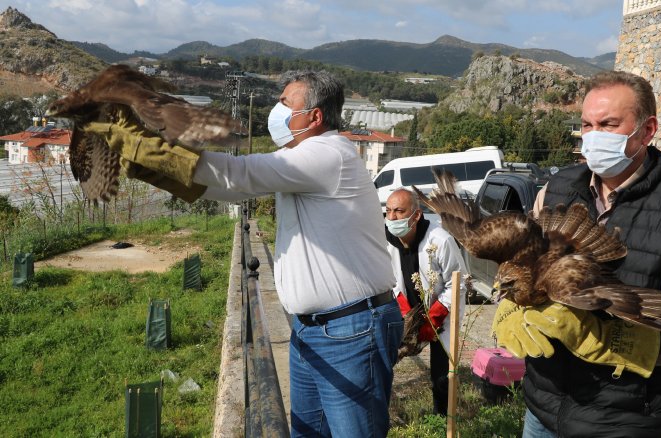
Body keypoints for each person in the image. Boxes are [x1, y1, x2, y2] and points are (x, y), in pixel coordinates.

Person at [85, 70, 403, 437]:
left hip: (349, 330)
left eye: (286, 103)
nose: (277, 109)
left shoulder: (327, 153)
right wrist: (149, 167)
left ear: (315, 117)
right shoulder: (303, 160)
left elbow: (238, 174)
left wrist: (139, 145)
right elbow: (233, 189)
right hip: (315, 328)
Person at [495, 70, 661, 437]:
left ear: (647, 130)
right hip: (545, 407)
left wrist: (602, 338)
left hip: (625, 418)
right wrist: (514, 306)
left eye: (609, 124)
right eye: (587, 125)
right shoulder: (555, 189)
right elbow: (526, 266)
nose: (594, 136)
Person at [384, 188, 468, 416]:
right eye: (388, 211)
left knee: (442, 373)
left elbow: (458, 282)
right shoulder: (386, 240)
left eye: (399, 211)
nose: (392, 218)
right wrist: (403, 307)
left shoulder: (440, 240)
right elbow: (389, 280)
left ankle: (442, 416)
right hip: (407, 310)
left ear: (417, 215)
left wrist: (434, 318)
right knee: (387, 356)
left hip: (441, 311)